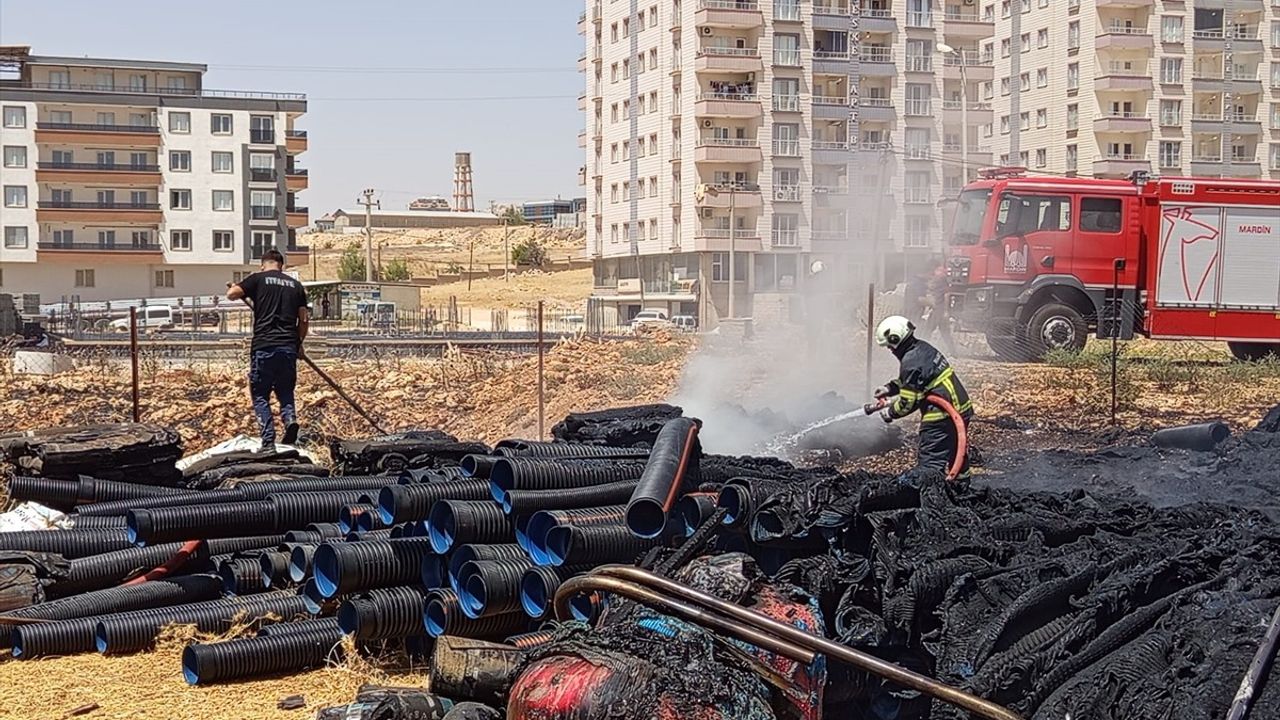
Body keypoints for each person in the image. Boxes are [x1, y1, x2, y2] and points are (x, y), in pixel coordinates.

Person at [227, 249, 310, 450]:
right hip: (288, 347)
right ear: (282, 265)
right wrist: (298, 343)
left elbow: (231, 294)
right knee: (285, 390)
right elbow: (304, 320)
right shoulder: (296, 286)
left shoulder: (258, 279)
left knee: (260, 394)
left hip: (264, 346)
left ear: (263, 265)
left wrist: (239, 286)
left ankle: (268, 441)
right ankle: (290, 420)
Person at [872, 315, 973, 481]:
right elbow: (915, 380)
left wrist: (890, 413)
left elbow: (908, 403)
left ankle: (931, 491)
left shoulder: (911, 361)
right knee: (956, 453)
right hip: (961, 408)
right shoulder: (922, 348)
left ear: (896, 339)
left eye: (889, 346)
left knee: (930, 462)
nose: (890, 349)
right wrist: (889, 388)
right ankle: (961, 487)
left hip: (941, 416)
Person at [920, 263, 956, 354]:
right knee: (945, 333)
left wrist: (945, 311)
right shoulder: (942, 282)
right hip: (939, 310)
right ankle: (953, 352)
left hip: (937, 311)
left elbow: (945, 295)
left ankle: (923, 348)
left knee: (928, 330)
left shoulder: (938, 281)